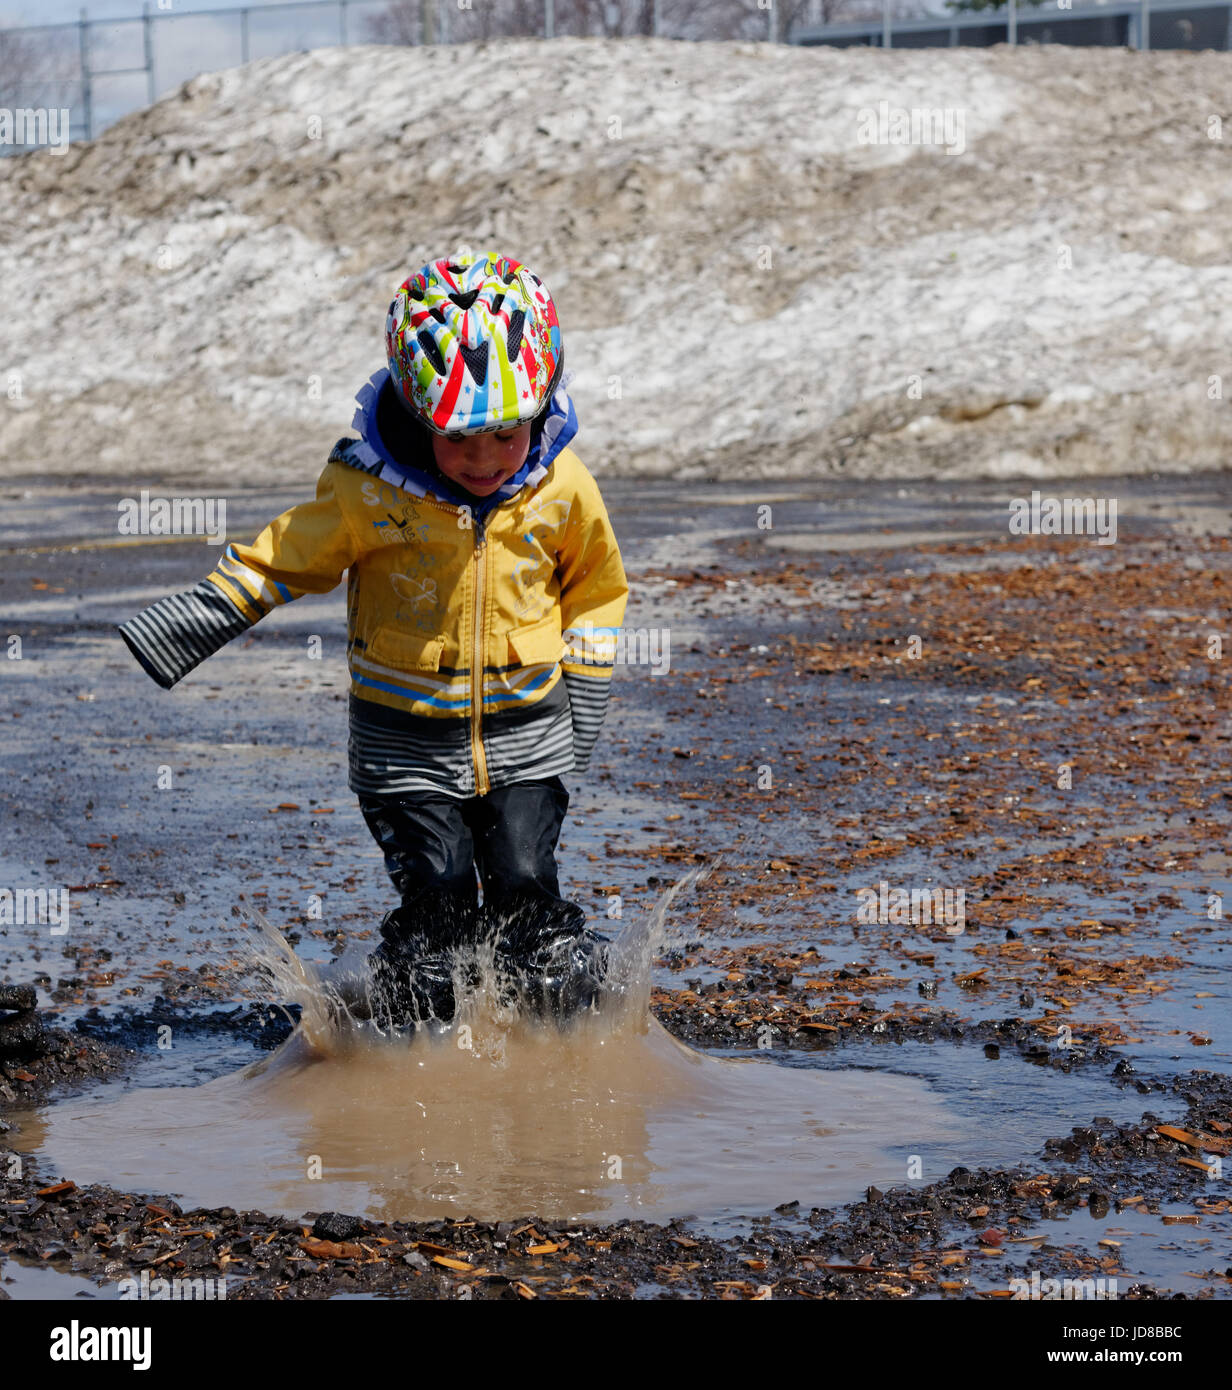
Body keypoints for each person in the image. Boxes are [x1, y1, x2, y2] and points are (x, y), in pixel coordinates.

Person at [118, 251, 629, 1025]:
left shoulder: (564, 487)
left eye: (504, 434)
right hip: (403, 745)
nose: (484, 460)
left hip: (530, 730)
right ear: (418, 416)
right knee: (441, 892)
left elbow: (596, 590)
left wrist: (584, 698)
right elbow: (283, 557)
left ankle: (558, 1024)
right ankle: (408, 1032)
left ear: (543, 402)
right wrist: (191, 623)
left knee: (525, 880)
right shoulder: (367, 491)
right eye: (459, 439)